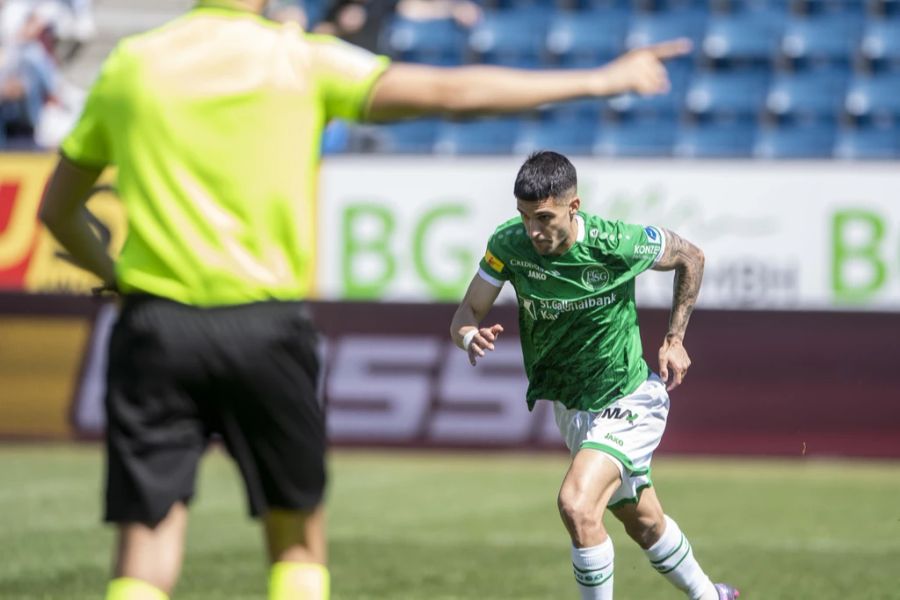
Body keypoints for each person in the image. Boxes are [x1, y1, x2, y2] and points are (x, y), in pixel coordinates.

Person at [38, 0, 690, 597]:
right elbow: (451, 91)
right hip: (264, 326)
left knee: (145, 548)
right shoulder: (298, 58)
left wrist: (118, 284)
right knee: (295, 541)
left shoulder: (133, 64)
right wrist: (599, 80)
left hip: (155, 325)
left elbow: (60, 211)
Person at [450, 151, 739, 600]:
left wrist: (675, 338)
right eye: (524, 217)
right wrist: (470, 336)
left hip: (629, 397)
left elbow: (691, 256)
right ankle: (712, 596)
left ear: (574, 206)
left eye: (543, 217)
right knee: (643, 521)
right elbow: (466, 312)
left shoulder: (616, 242)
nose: (532, 230)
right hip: (572, 407)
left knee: (577, 505)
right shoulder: (508, 245)